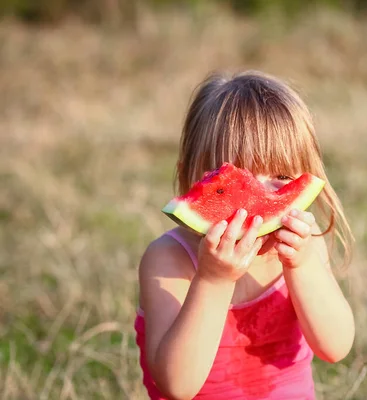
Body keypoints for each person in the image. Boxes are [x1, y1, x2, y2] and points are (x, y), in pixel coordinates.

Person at [134, 70, 355, 400]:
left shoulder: (306, 247)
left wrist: (303, 264)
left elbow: (335, 347)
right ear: (187, 175)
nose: (258, 192)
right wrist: (213, 280)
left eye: (281, 175)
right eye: (232, 178)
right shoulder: (169, 259)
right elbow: (176, 385)